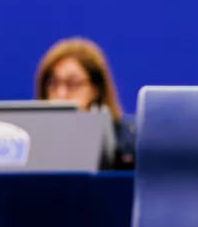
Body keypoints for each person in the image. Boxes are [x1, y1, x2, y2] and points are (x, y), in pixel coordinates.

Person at [34, 37, 135, 170]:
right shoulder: (32, 143)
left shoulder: (128, 143)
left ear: (95, 89)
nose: (61, 94)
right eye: (53, 84)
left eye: (72, 84)